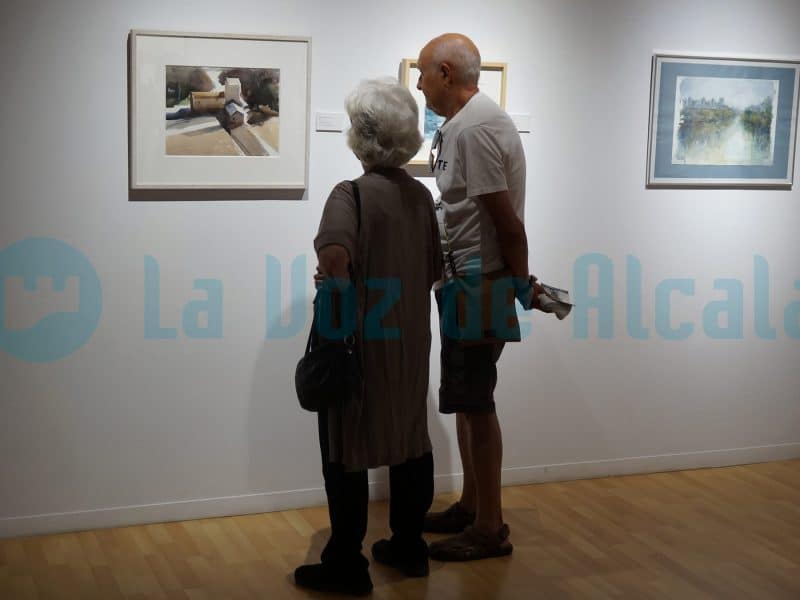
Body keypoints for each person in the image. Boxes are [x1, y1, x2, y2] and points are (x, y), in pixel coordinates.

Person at [293, 78, 443, 595]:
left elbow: (334, 258)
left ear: (362, 136)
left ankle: (346, 563)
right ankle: (409, 546)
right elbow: (430, 268)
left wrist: (338, 288)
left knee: (344, 445)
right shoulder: (422, 197)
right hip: (408, 339)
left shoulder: (350, 194)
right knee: (409, 438)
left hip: (359, 338)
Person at [416, 33, 545, 561]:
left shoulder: (476, 129)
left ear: (446, 73)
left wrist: (520, 281)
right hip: (465, 282)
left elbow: (505, 221)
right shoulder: (462, 127)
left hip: (479, 282)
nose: (420, 83)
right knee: (467, 402)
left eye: (424, 74)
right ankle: (472, 506)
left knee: (477, 401)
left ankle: (489, 526)